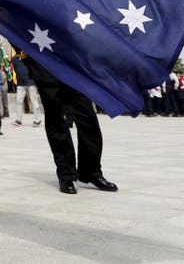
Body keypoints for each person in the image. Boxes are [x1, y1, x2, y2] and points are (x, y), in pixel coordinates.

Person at [22, 53, 118, 194]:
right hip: (44, 65)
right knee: (56, 121)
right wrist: (27, 57)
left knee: (88, 119)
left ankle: (92, 171)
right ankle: (66, 174)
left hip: (71, 64)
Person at [11, 50, 43, 128]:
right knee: (19, 101)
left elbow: (36, 69)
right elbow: (16, 70)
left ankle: (37, 120)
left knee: (34, 101)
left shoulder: (31, 56)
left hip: (31, 82)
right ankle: (19, 120)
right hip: (20, 83)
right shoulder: (14, 59)